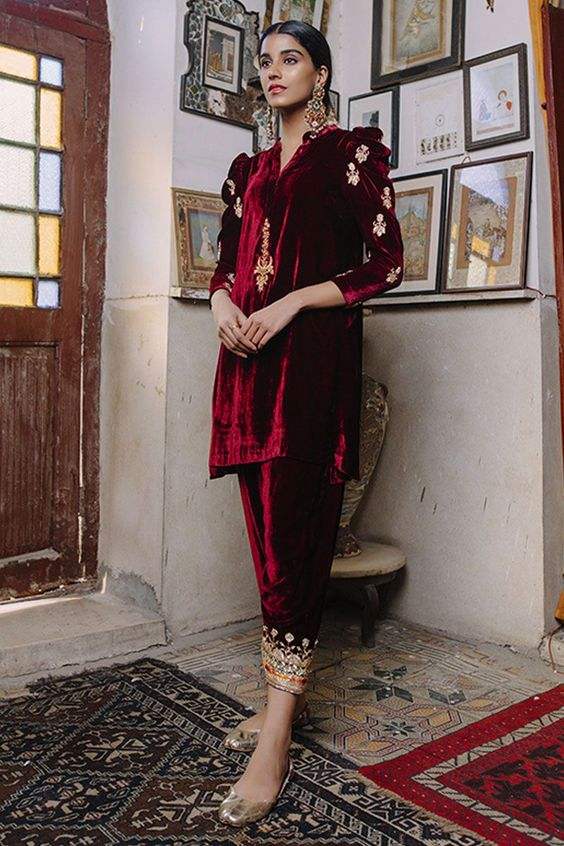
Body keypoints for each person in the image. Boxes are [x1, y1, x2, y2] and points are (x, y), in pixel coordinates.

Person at [208, 19, 404, 828]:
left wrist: (291, 301)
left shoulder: (349, 155)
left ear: (320, 74)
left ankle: (277, 737)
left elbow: (386, 264)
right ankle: (277, 705)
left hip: (309, 376)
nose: (274, 71)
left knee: (296, 543)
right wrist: (222, 306)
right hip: (245, 376)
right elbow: (224, 266)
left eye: (291, 59)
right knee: (267, 546)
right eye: (265, 60)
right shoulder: (249, 169)